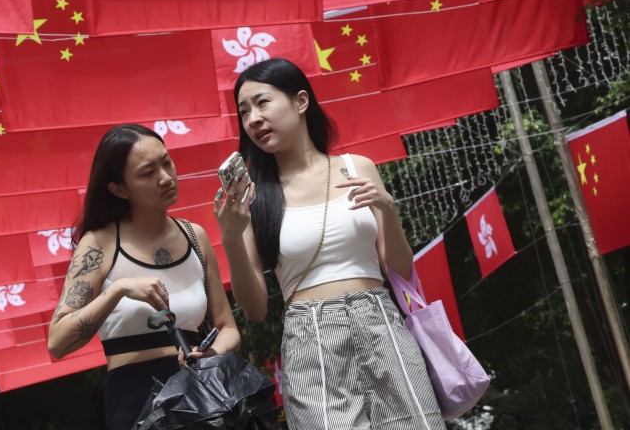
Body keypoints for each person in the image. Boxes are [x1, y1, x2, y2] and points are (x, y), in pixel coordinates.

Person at [215, 58, 445, 430]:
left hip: (380, 322)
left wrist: (388, 211)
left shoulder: (358, 168)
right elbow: (255, 310)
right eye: (244, 112)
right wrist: (231, 238)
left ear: (301, 101)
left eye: (263, 102)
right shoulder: (251, 198)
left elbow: (400, 272)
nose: (254, 118)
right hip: (310, 337)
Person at [48, 124, 240, 430]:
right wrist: (118, 291)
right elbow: (57, 343)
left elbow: (228, 327)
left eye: (166, 162)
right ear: (118, 189)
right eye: (147, 172)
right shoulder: (99, 244)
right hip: (135, 403)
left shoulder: (195, 236)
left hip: (201, 396)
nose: (165, 177)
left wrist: (210, 352)